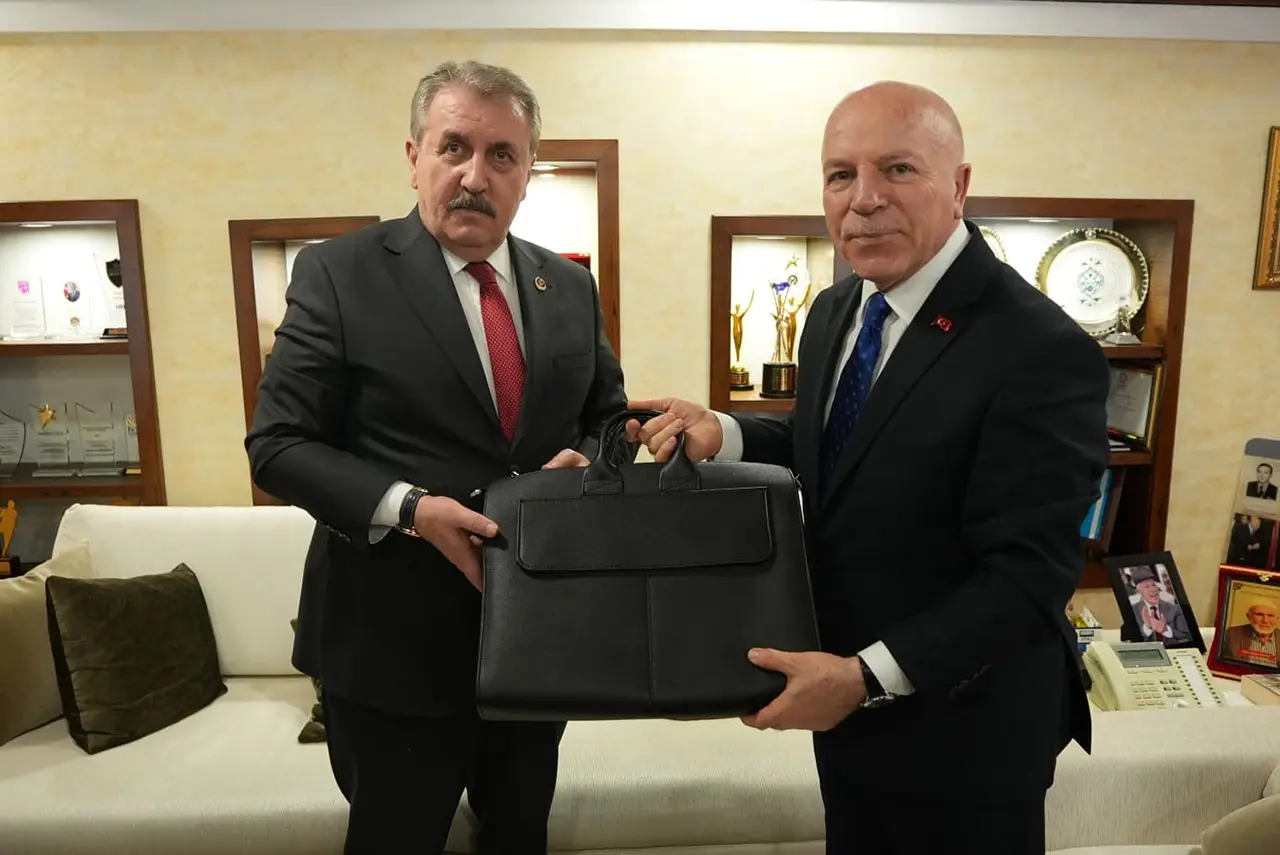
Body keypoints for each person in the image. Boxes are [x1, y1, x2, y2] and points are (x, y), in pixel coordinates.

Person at [629, 80, 1110, 854]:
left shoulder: (1040, 350)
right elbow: (845, 447)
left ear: (959, 186)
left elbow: (1028, 577)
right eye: (840, 174)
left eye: (898, 169)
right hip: (847, 710)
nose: (864, 199)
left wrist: (864, 677)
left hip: (968, 729)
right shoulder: (837, 309)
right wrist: (724, 430)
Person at [245, 59, 628, 854]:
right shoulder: (338, 273)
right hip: (391, 652)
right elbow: (277, 444)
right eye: (454, 147)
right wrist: (411, 509)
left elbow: (608, 419)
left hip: (535, 642)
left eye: (502, 155)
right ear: (414, 156)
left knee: (519, 836)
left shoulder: (568, 286)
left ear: (528, 172)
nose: (474, 176)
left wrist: (591, 464)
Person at [1128, 567, 1191, 645]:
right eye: (1147, 586)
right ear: (1139, 591)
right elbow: (1132, 642)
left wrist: (1166, 630)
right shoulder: (1132, 611)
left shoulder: (1175, 609)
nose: (1153, 589)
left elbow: (1187, 637)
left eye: (1153, 585)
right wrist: (1147, 627)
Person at [1222, 600, 1279, 667]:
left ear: (1277, 618)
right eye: (1259, 614)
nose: (1265, 621)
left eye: (1270, 615)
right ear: (1249, 616)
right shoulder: (1232, 633)